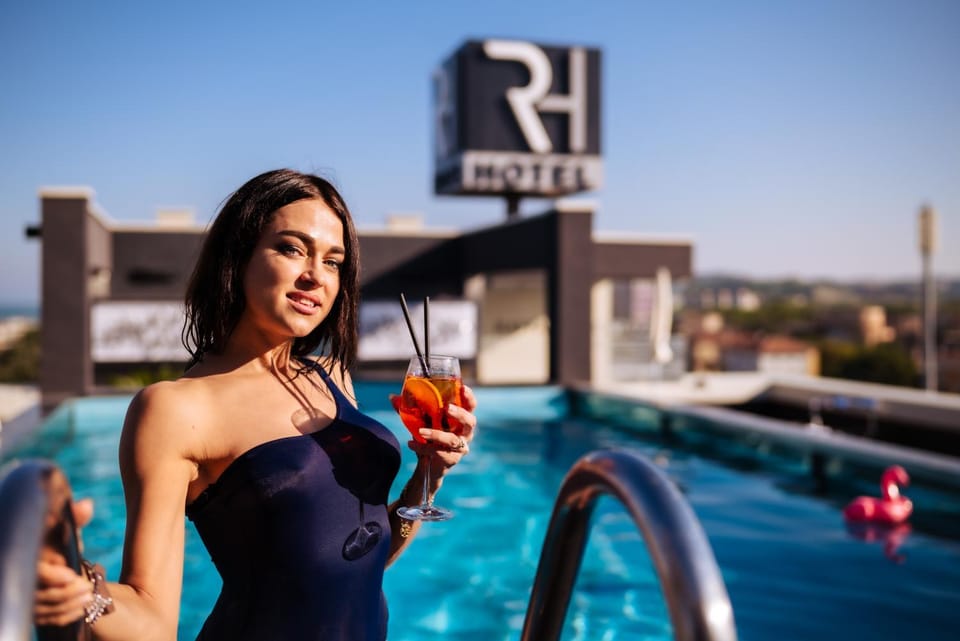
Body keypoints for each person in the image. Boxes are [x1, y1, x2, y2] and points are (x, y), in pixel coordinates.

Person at [33, 168, 478, 640]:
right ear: (238, 254)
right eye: (291, 248)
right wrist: (84, 590)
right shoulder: (175, 410)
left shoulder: (333, 378)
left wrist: (428, 476)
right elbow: (151, 619)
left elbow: (356, 558)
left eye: (333, 261)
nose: (315, 276)